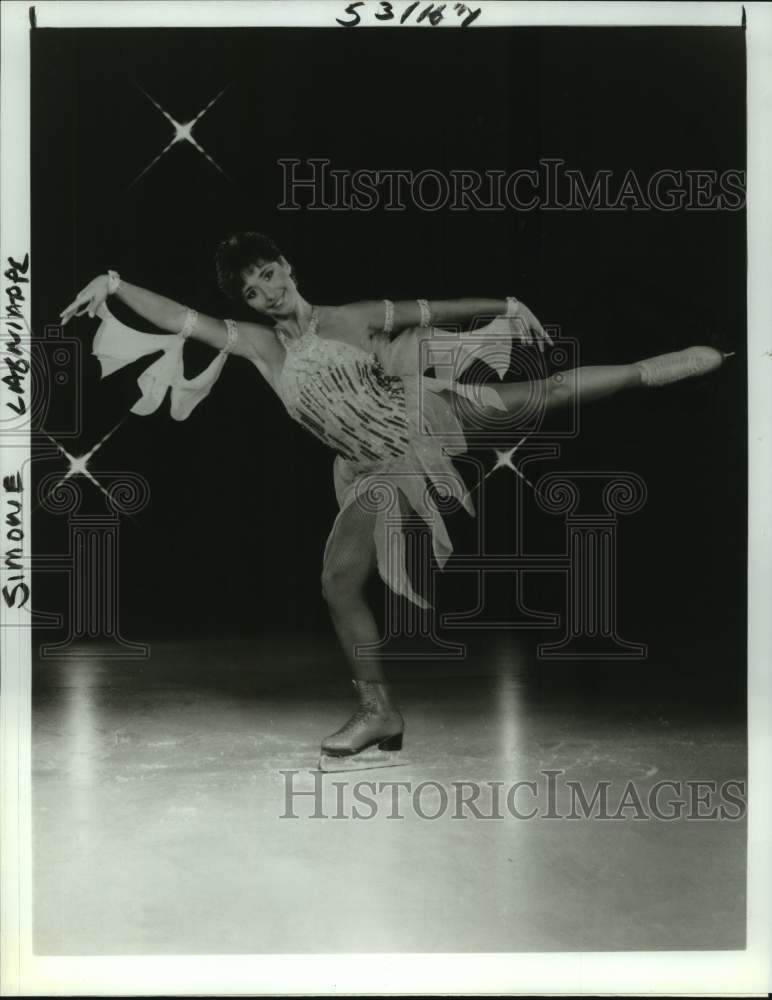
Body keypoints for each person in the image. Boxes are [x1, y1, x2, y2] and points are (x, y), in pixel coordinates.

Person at [61, 232, 730, 764]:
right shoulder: (261, 347)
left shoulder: (349, 318)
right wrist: (117, 286)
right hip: (370, 467)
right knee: (338, 582)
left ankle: (654, 369)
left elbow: (429, 311)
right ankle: (380, 711)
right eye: (248, 286)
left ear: (285, 266)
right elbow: (185, 319)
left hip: (420, 418)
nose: (262, 290)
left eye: (266, 273)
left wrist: (501, 305)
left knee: (542, 395)